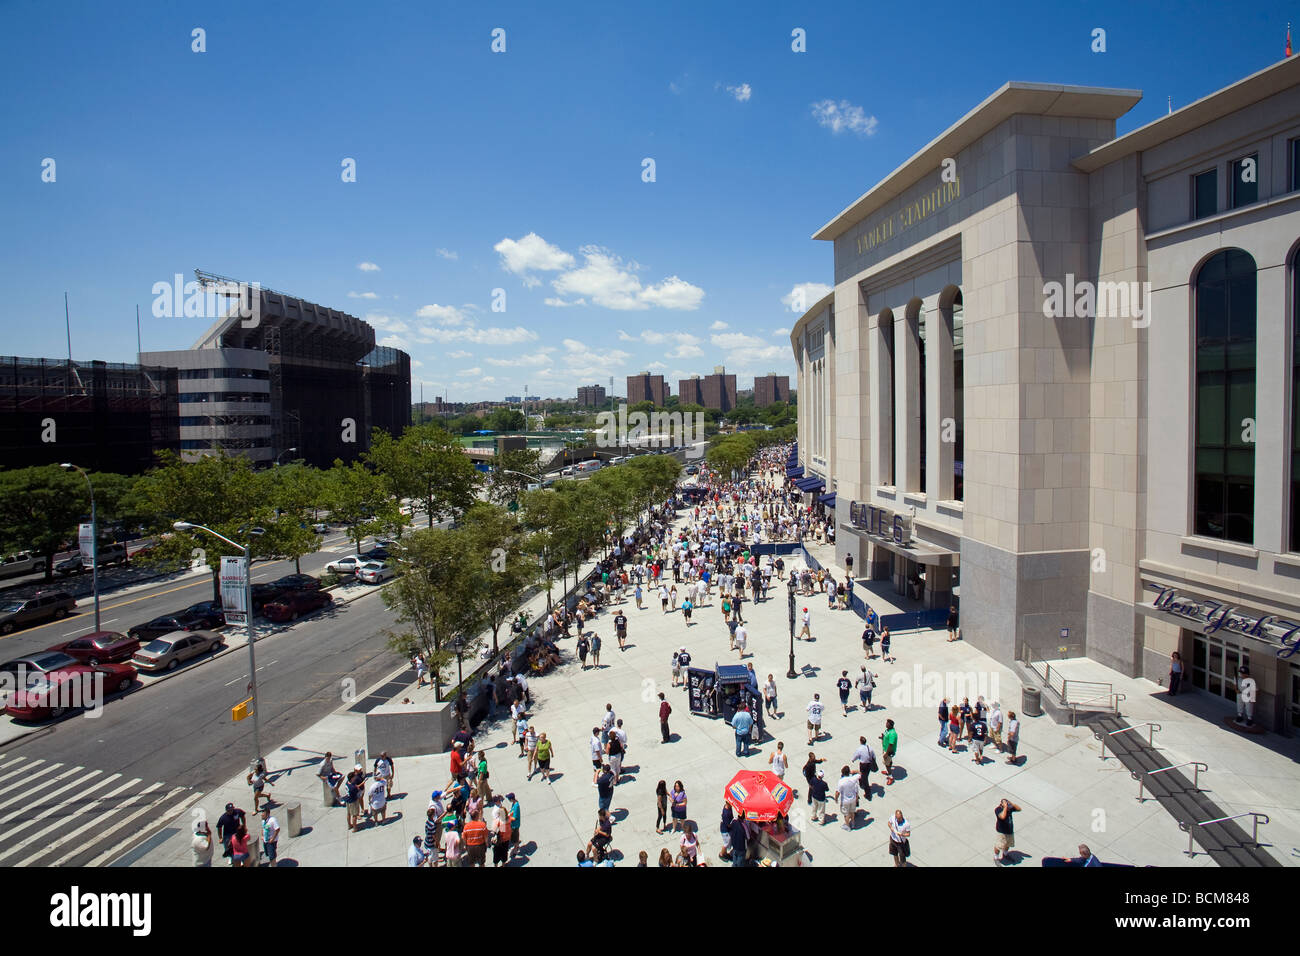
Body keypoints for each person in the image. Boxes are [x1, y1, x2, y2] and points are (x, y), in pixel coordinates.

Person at [994, 799, 1021, 864]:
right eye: (1005, 803)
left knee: (1008, 844)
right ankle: (996, 858)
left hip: (1009, 830)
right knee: (999, 845)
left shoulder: (1009, 808)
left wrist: (1012, 804)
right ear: (1001, 804)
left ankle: (1005, 854)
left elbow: (1019, 809)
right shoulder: (998, 809)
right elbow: (1002, 817)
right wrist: (1005, 807)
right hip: (1002, 832)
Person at [835, 766, 861, 830]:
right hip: (853, 799)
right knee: (852, 812)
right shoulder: (853, 779)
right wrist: (855, 771)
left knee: (846, 814)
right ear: (849, 772)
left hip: (845, 800)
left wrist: (836, 799)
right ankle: (853, 823)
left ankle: (847, 826)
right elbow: (860, 773)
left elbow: (837, 792)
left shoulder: (841, 781)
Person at [881, 719, 898, 784]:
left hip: (888, 751)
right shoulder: (887, 730)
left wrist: (886, 754)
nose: (886, 724)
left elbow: (891, 744)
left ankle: (891, 777)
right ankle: (888, 771)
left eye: (887, 723)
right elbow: (886, 736)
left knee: (887, 764)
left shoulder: (892, 733)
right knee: (888, 762)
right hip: (885, 749)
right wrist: (882, 737)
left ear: (890, 725)